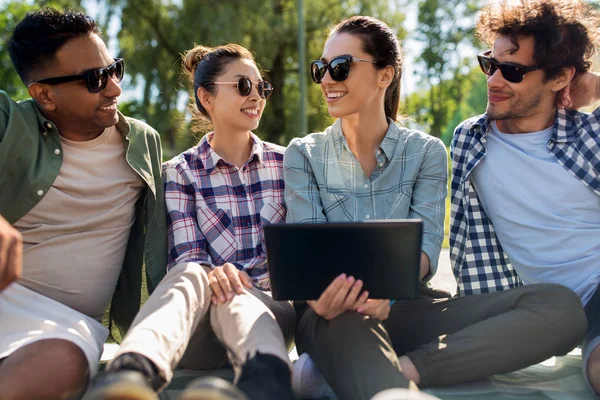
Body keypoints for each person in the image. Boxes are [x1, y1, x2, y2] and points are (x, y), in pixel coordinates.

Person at [284, 15, 588, 400]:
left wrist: (385, 295)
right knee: (346, 318)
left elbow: (426, 249)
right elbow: (308, 252)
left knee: (560, 307)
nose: (327, 79)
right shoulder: (303, 154)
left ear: (384, 76)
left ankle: (402, 371)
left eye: (340, 67)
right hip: (330, 313)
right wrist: (341, 296)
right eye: (320, 69)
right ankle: (393, 390)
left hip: (407, 309)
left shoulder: (426, 151)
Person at [89, 44, 296, 400]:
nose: (257, 97)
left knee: (238, 297)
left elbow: (298, 262)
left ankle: (268, 381)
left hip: (268, 319)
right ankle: (131, 372)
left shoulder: (288, 165)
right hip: (198, 332)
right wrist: (213, 274)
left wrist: (239, 283)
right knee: (188, 274)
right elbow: (188, 260)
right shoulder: (180, 173)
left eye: (262, 88)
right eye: (243, 87)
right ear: (207, 97)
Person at [0, 7, 166, 399]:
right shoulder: (11, 124)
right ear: (44, 94)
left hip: (63, 329)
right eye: (95, 79)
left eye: (114, 69)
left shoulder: (143, 143)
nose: (114, 89)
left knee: (65, 362)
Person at [449, 0, 600, 395]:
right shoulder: (469, 140)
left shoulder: (589, 135)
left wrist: (596, 85)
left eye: (513, 70)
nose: (494, 81)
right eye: (490, 64)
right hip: (543, 309)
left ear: (559, 77)